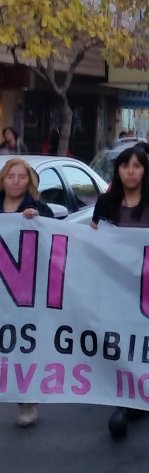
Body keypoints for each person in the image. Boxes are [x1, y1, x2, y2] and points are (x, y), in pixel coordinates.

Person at [91, 144, 149, 439]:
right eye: (125, 166)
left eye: (137, 166)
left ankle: (138, 392)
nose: (131, 171)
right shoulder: (105, 202)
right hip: (114, 283)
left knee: (142, 340)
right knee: (117, 338)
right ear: (118, 170)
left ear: (145, 170)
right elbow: (92, 237)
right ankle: (122, 398)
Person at [0, 158, 53, 428]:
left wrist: (38, 220)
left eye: (22, 176)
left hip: (24, 292)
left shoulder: (38, 208)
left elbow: (54, 236)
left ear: (29, 181)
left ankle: (27, 400)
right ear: (3, 179)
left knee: (20, 347)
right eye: (11, 176)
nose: (16, 181)